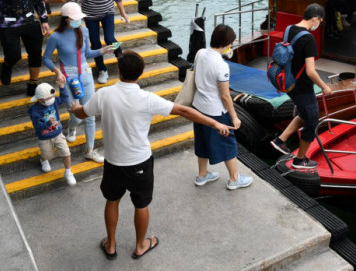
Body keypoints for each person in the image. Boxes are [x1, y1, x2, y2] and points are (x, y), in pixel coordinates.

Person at [69, 51, 234, 260]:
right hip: (140, 162)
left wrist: (75, 108)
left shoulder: (104, 95)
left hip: (113, 162)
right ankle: (140, 246)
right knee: (141, 204)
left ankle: (110, 245)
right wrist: (215, 122)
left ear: (118, 71)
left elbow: (83, 113)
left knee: (112, 201)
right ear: (142, 72)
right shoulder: (147, 99)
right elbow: (184, 111)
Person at [43, 2, 116, 163]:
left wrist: (103, 50)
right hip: (68, 77)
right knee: (76, 113)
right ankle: (72, 126)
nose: (78, 22)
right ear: (66, 19)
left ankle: (90, 150)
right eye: (74, 19)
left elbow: (87, 53)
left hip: (86, 74)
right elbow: (46, 57)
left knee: (90, 113)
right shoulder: (56, 36)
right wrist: (57, 72)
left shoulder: (84, 30)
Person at [270, 4, 332, 169]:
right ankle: (300, 160)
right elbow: (311, 72)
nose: (318, 24)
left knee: (305, 113)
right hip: (302, 86)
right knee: (312, 120)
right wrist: (324, 87)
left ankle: (281, 140)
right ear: (315, 18)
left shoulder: (289, 29)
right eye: (319, 20)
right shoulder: (309, 39)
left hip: (287, 81)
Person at [193, 25, 252, 190]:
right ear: (227, 44)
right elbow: (225, 96)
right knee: (228, 144)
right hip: (215, 111)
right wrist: (234, 116)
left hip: (198, 107)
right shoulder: (221, 65)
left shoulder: (201, 53)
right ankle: (234, 179)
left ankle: (202, 175)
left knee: (202, 141)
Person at [69, 0, 128, 84]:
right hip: (90, 13)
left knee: (110, 38)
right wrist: (69, 12)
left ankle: (121, 58)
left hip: (108, 11)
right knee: (95, 43)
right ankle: (102, 69)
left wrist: (123, 13)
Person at [29, 82, 76, 186]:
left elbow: (64, 97)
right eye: (49, 97)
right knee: (48, 155)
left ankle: (68, 172)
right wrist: (47, 123)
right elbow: (37, 126)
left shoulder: (53, 102)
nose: (52, 99)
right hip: (45, 137)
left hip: (58, 133)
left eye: (53, 96)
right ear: (40, 99)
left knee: (66, 152)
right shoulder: (34, 110)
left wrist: (62, 86)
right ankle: (43, 160)